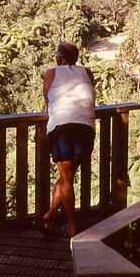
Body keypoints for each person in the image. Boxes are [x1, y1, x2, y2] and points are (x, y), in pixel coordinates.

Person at [41, 41, 96, 238]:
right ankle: (50, 217)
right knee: (67, 178)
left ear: (60, 58)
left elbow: (48, 100)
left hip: (62, 127)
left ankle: (73, 227)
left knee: (65, 179)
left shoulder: (51, 72)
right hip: (86, 129)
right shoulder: (87, 72)